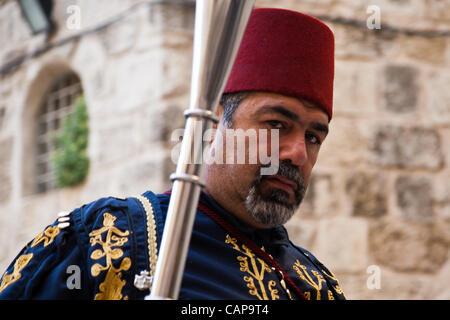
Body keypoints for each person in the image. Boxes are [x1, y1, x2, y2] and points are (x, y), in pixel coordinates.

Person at [0, 8, 346, 300]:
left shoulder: (319, 285)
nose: (298, 152)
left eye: (314, 136)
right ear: (212, 123)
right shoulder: (110, 241)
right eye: (277, 124)